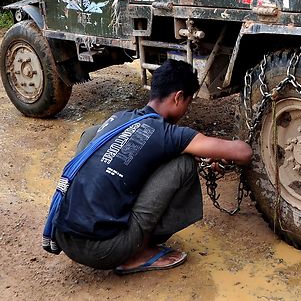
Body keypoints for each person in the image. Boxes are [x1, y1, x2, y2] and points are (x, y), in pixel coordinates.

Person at [51, 59, 253, 274]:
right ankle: (137, 254)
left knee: (92, 134)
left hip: (65, 238)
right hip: (106, 250)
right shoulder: (167, 133)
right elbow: (243, 152)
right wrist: (212, 152)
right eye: (188, 102)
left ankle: (101, 226)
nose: (186, 110)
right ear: (178, 97)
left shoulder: (120, 118)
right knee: (183, 163)